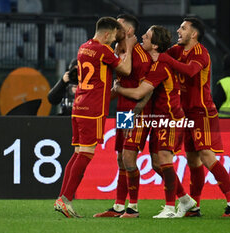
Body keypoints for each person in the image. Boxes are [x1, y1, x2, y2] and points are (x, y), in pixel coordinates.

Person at [158, 17, 230, 217]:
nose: (178, 30)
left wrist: (165, 59)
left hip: (202, 112)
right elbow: (160, 58)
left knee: (206, 155)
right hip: (186, 113)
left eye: (183, 28)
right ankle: (194, 206)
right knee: (193, 161)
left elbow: (189, 71)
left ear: (194, 34)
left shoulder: (201, 53)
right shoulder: (178, 51)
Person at [53, 16, 136, 218]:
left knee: (83, 153)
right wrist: (130, 48)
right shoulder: (105, 50)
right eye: (114, 36)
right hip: (100, 109)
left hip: (80, 106)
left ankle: (119, 205)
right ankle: (66, 199)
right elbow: (126, 70)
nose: (116, 40)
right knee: (104, 155)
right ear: (107, 34)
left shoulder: (84, 47)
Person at [114, 25, 196, 218]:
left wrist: (118, 91)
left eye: (147, 36)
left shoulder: (154, 62)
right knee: (137, 161)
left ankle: (140, 208)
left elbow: (141, 92)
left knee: (136, 158)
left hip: (158, 116)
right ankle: (184, 200)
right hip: (134, 113)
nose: (143, 36)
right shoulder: (128, 51)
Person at [93, 14, 156, 219]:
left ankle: (134, 208)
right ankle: (119, 206)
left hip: (137, 111)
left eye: (118, 25)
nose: (113, 27)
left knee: (129, 157)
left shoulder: (140, 55)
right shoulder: (116, 51)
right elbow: (117, 87)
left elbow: (148, 90)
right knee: (121, 158)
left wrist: (136, 113)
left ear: (128, 31)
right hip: (123, 111)